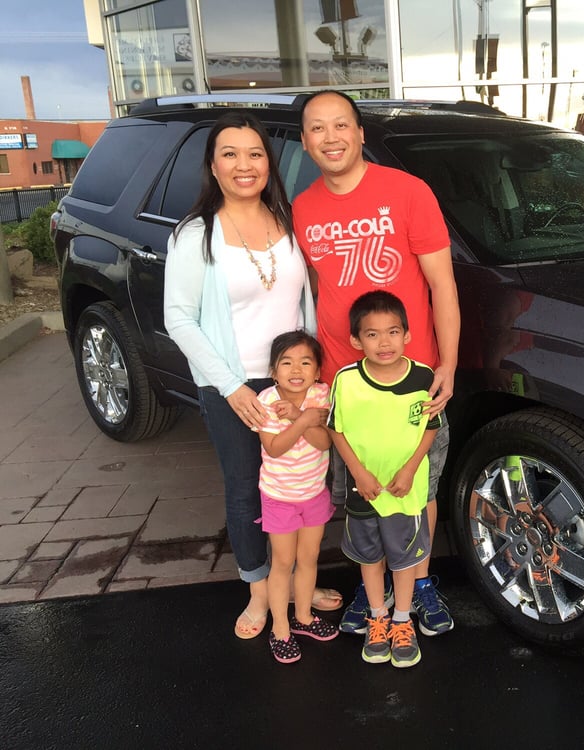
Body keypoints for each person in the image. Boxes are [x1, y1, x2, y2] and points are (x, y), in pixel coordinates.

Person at [164, 110, 341, 641]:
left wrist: (316, 378)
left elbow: (307, 300)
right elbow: (179, 318)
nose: (245, 165)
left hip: (295, 380)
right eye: (230, 154)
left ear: (270, 162)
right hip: (234, 383)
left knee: (306, 481)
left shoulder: (287, 219)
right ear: (213, 166)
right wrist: (232, 387)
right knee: (247, 489)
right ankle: (260, 589)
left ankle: (299, 584)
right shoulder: (196, 234)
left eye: (255, 153)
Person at [293, 90, 460, 637]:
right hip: (346, 384)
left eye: (341, 124)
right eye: (318, 128)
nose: (331, 137)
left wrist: (448, 364)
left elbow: (442, 285)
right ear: (305, 141)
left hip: (413, 377)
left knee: (419, 490)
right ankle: (375, 593)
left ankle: (421, 582)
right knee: (361, 495)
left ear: (361, 133)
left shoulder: (408, 192)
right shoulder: (303, 208)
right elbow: (314, 291)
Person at [328, 291, 441, 668]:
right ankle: (377, 618)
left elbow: (431, 427)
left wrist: (409, 470)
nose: (384, 342)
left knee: (404, 560)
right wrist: (359, 473)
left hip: (406, 493)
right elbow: (336, 430)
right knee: (371, 558)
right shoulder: (346, 381)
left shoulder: (423, 377)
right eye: (372, 334)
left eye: (392, 332)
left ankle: (402, 620)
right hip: (365, 492)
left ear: (407, 334)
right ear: (356, 340)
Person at [257, 331, 339, 663]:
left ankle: (303, 617)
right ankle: (280, 629)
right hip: (279, 496)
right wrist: (302, 418)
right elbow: (274, 448)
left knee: (309, 558)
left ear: (317, 371)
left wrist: (299, 416)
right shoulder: (266, 401)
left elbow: (325, 443)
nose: (296, 369)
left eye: (305, 362)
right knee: (282, 562)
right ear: (273, 371)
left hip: (314, 493)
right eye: (286, 363)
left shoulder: (321, 394)